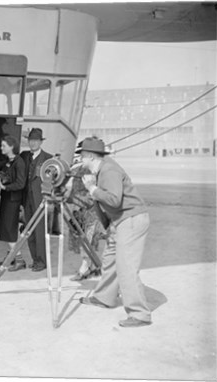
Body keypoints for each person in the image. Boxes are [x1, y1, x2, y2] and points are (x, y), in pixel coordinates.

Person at [77, 136, 152, 328]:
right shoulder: (102, 168)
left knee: (126, 266)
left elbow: (113, 200)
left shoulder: (109, 170)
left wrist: (92, 189)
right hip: (120, 220)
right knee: (110, 258)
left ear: (91, 156)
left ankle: (140, 314)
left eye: (82, 157)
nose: (80, 161)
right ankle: (105, 297)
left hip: (131, 219)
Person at [64, 150, 105, 281]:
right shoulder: (76, 168)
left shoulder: (92, 172)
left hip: (90, 211)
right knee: (83, 240)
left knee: (87, 241)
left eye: (83, 155)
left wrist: (70, 197)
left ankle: (85, 269)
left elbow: (90, 196)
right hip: (79, 210)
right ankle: (93, 267)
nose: (81, 157)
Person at [20, 128, 53, 272]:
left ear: (41, 142)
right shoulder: (24, 156)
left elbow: (51, 180)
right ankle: (35, 259)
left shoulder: (48, 158)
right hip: (26, 199)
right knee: (29, 231)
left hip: (40, 199)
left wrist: (48, 197)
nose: (33, 143)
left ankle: (42, 261)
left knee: (40, 231)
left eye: (36, 141)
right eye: (31, 140)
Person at [0, 135, 27, 271]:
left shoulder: (19, 163)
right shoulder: (10, 161)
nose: (1, 148)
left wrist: (6, 187)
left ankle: (19, 259)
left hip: (12, 200)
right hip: (7, 199)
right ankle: (11, 257)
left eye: (4, 146)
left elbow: (21, 183)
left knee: (9, 230)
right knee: (9, 230)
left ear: (12, 146)